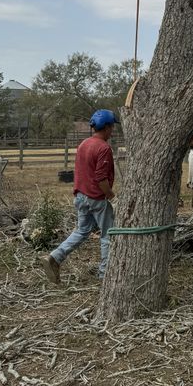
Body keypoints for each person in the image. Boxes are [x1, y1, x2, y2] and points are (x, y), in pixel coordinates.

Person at [44, 109, 118, 284]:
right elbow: (101, 178)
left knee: (82, 231)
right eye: (112, 127)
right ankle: (105, 274)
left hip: (81, 196)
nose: (113, 130)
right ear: (106, 127)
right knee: (108, 235)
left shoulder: (83, 144)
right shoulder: (104, 148)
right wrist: (112, 197)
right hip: (97, 198)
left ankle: (55, 256)